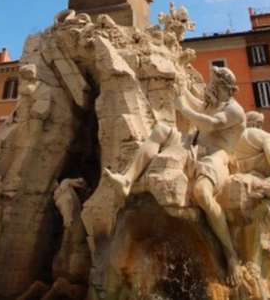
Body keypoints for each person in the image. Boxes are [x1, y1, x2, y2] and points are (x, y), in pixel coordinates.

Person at [105, 66, 246, 284]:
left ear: (223, 86)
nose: (209, 86)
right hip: (193, 147)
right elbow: (196, 104)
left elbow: (210, 124)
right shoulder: (213, 103)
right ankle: (126, 179)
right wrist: (180, 83)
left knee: (202, 193)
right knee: (161, 130)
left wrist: (182, 106)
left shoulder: (234, 110)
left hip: (217, 156)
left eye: (213, 83)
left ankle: (230, 253)